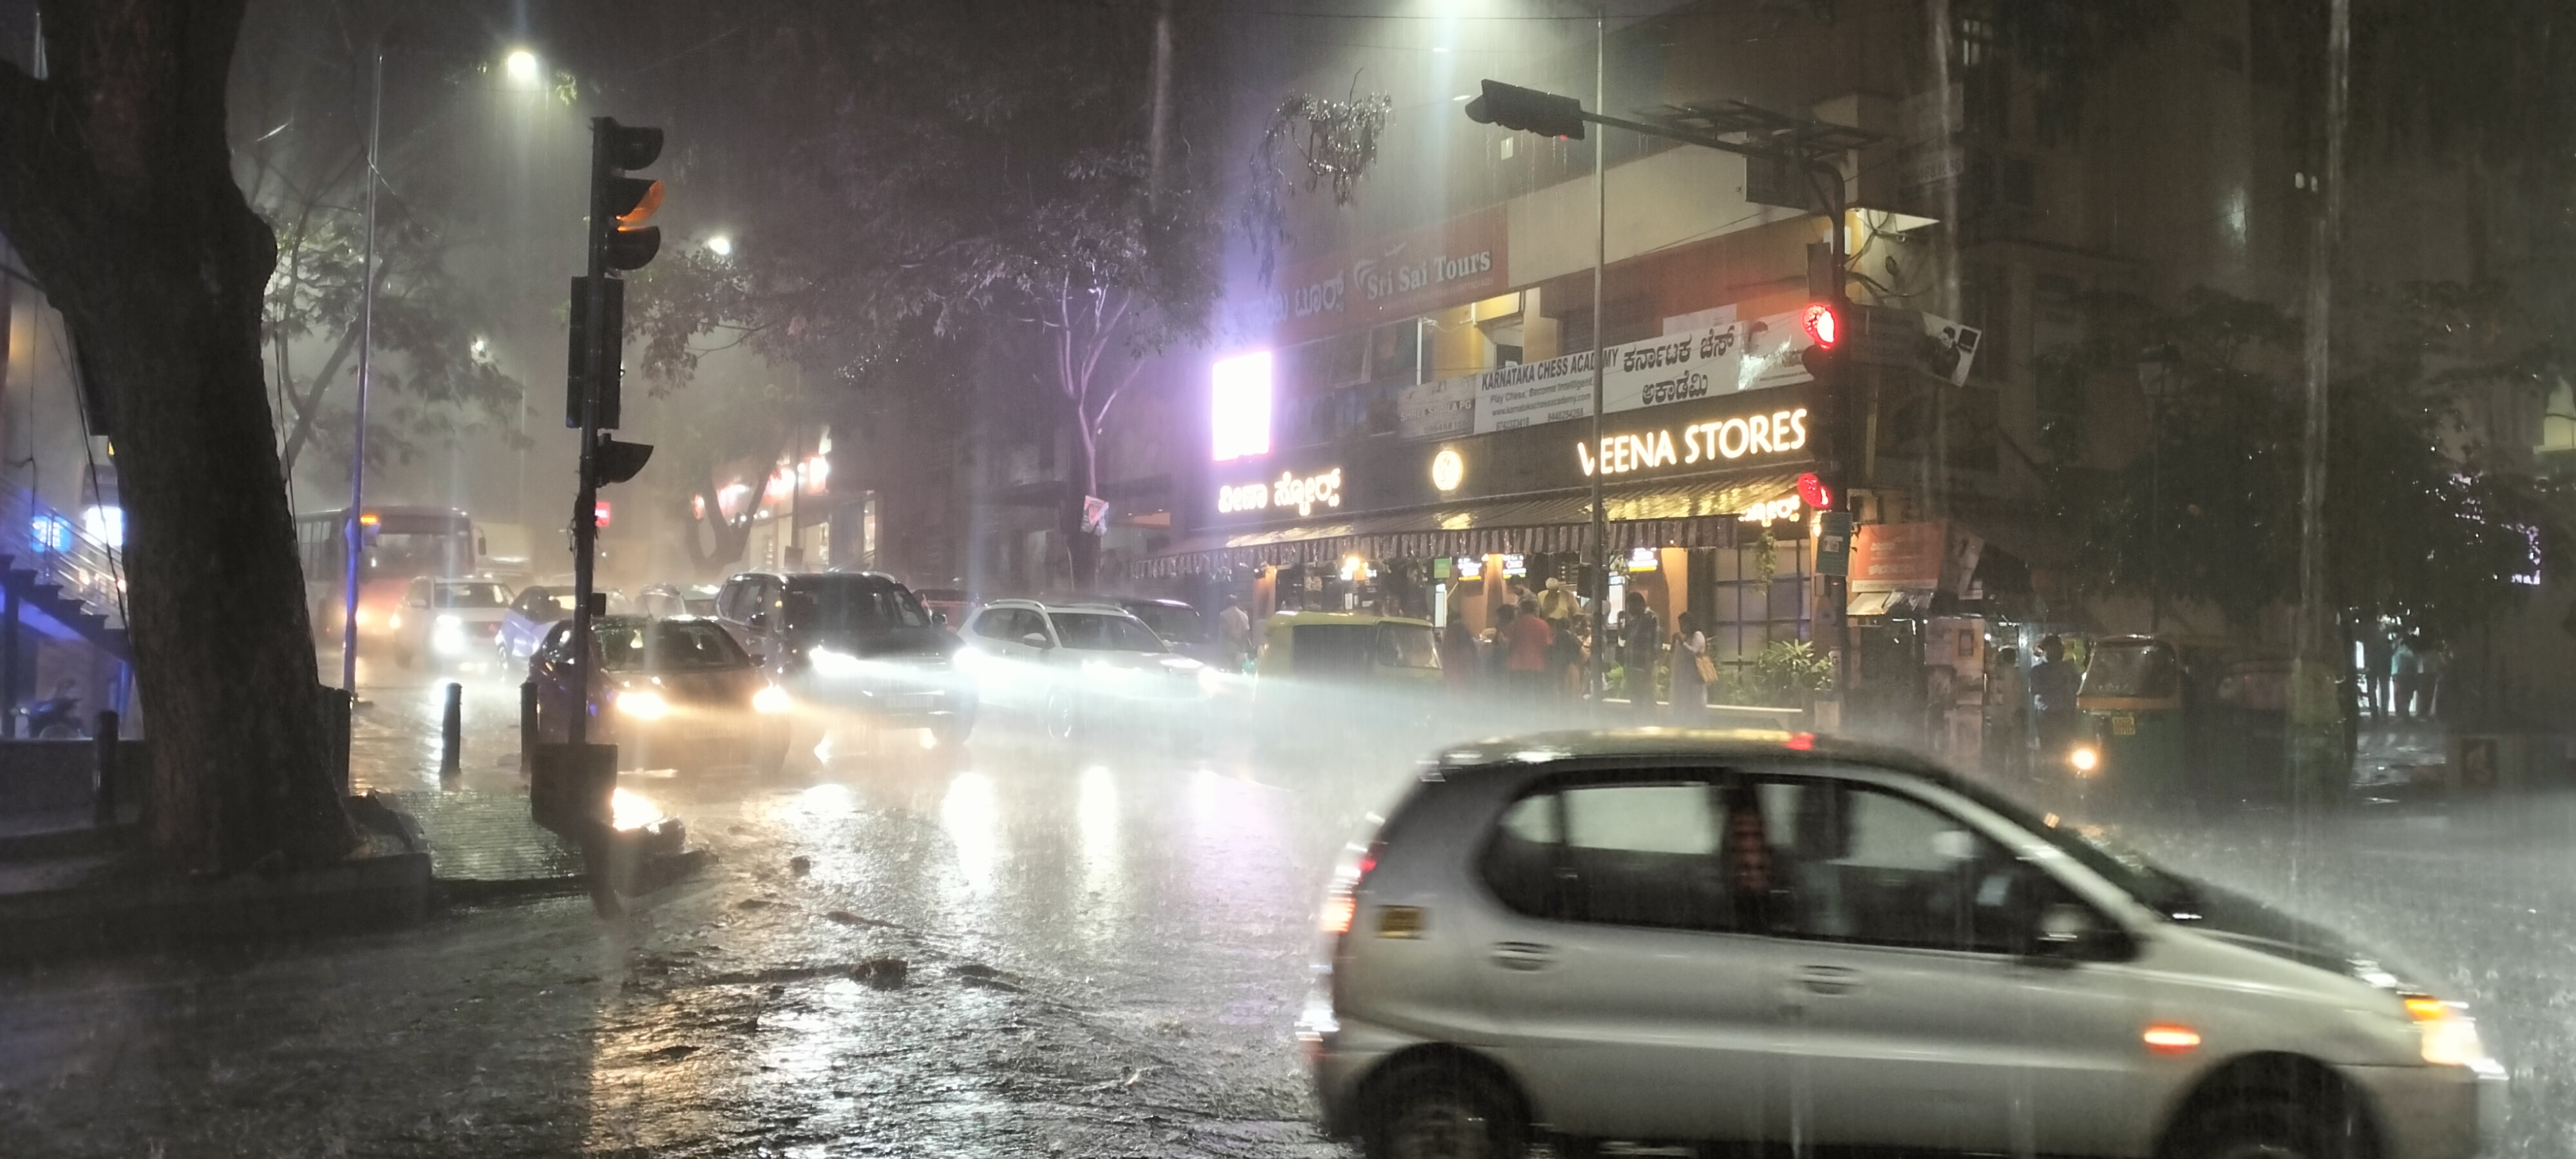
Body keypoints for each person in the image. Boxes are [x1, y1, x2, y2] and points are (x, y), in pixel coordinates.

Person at [2029, 634, 2081, 761]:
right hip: (2047, 714)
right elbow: (2035, 689)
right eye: (2054, 648)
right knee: (2048, 747)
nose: (2058, 650)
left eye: (2059, 648)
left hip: (2066, 714)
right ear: (2046, 650)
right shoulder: (2038, 670)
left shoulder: (2070, 668)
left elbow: (2078, 687)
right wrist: (2057, 684)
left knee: (2066, 747)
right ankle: (2051, 773)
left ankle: (2063, 773)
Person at [1503, 596, 1555, 700]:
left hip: (1516, 665)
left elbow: (1508, 645)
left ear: (1522, 609)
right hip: (1537, 666)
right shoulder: (1543, 625)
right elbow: (1548, 645)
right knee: (1534, 697)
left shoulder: (1514, 625)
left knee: (1518, 697)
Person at [1988, 645, 2028, 778]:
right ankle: (2018, 775)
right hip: (2014, 714)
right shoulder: (2015, 673)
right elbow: (2020, 695)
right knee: (2016, 748)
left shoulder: (1995, 674)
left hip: (1998, 715)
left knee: (1999, 747)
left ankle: (1998, 773)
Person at [1620, 590, 1662, 713]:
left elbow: (1656, 643)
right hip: (1632, 667)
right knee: (1636, 701)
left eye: (1631, 606)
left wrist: (1651, 664)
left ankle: (1651, 728)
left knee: (1648, 701)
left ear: (1639, 604)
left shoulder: (1650, 617)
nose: (1629, 609)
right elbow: (1623, 637)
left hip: (1645, 667)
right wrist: (1621, 621)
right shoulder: (1633, 621)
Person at [1670, 611, 1708, 715]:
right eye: (1680, 625)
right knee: (1683, 704)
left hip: (1694, 677)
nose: (1681, 627)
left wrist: (1682, 642)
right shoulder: (1685, 637)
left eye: (1683, 625)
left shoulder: (1698, 635)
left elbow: (1692, 652)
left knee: (1695, 705)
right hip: (1683, 677)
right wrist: (1674, 642)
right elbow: (1674, 652)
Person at [1441, 613, 1479, 693]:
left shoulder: (1450, 633)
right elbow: (1474, 654)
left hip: (1453, 673)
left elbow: (1445, 652)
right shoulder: (1465, 630)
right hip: (1466, 672)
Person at [1216, 596, 1253, 674]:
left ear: (1227, 603)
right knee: (1238, 670)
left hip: (1228, 647)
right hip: (1240, 649)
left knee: (1228, 670)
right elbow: (1246, 632)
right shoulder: (1244, 616)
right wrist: (1242, 646)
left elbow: (1226, 631)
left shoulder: (1224, 615)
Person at [2390, 633, 2421, 723]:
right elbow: (2413, 661)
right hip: (2406, 674)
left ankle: (2400, 714)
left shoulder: (2396, 649)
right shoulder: (2408, 651)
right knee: (2406, 695)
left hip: (2397, 673)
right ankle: (2404, 714)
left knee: (2399, 694)